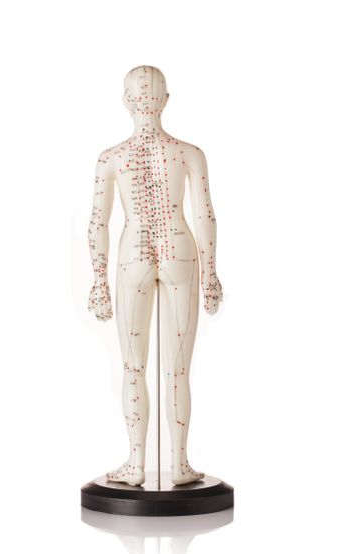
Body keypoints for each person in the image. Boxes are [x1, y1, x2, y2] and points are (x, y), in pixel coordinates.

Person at [87, 65, 223, 486]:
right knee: (177, 370)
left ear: (126, 102)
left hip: (134, 253)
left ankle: (136, 462)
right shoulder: (188, 153)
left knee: (133, 367)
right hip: (179, 250)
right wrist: (211, 273)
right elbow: (204, 215)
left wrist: (98, 279)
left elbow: (98, 222)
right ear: (165, 100)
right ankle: (178, 464)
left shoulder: (112, 158)